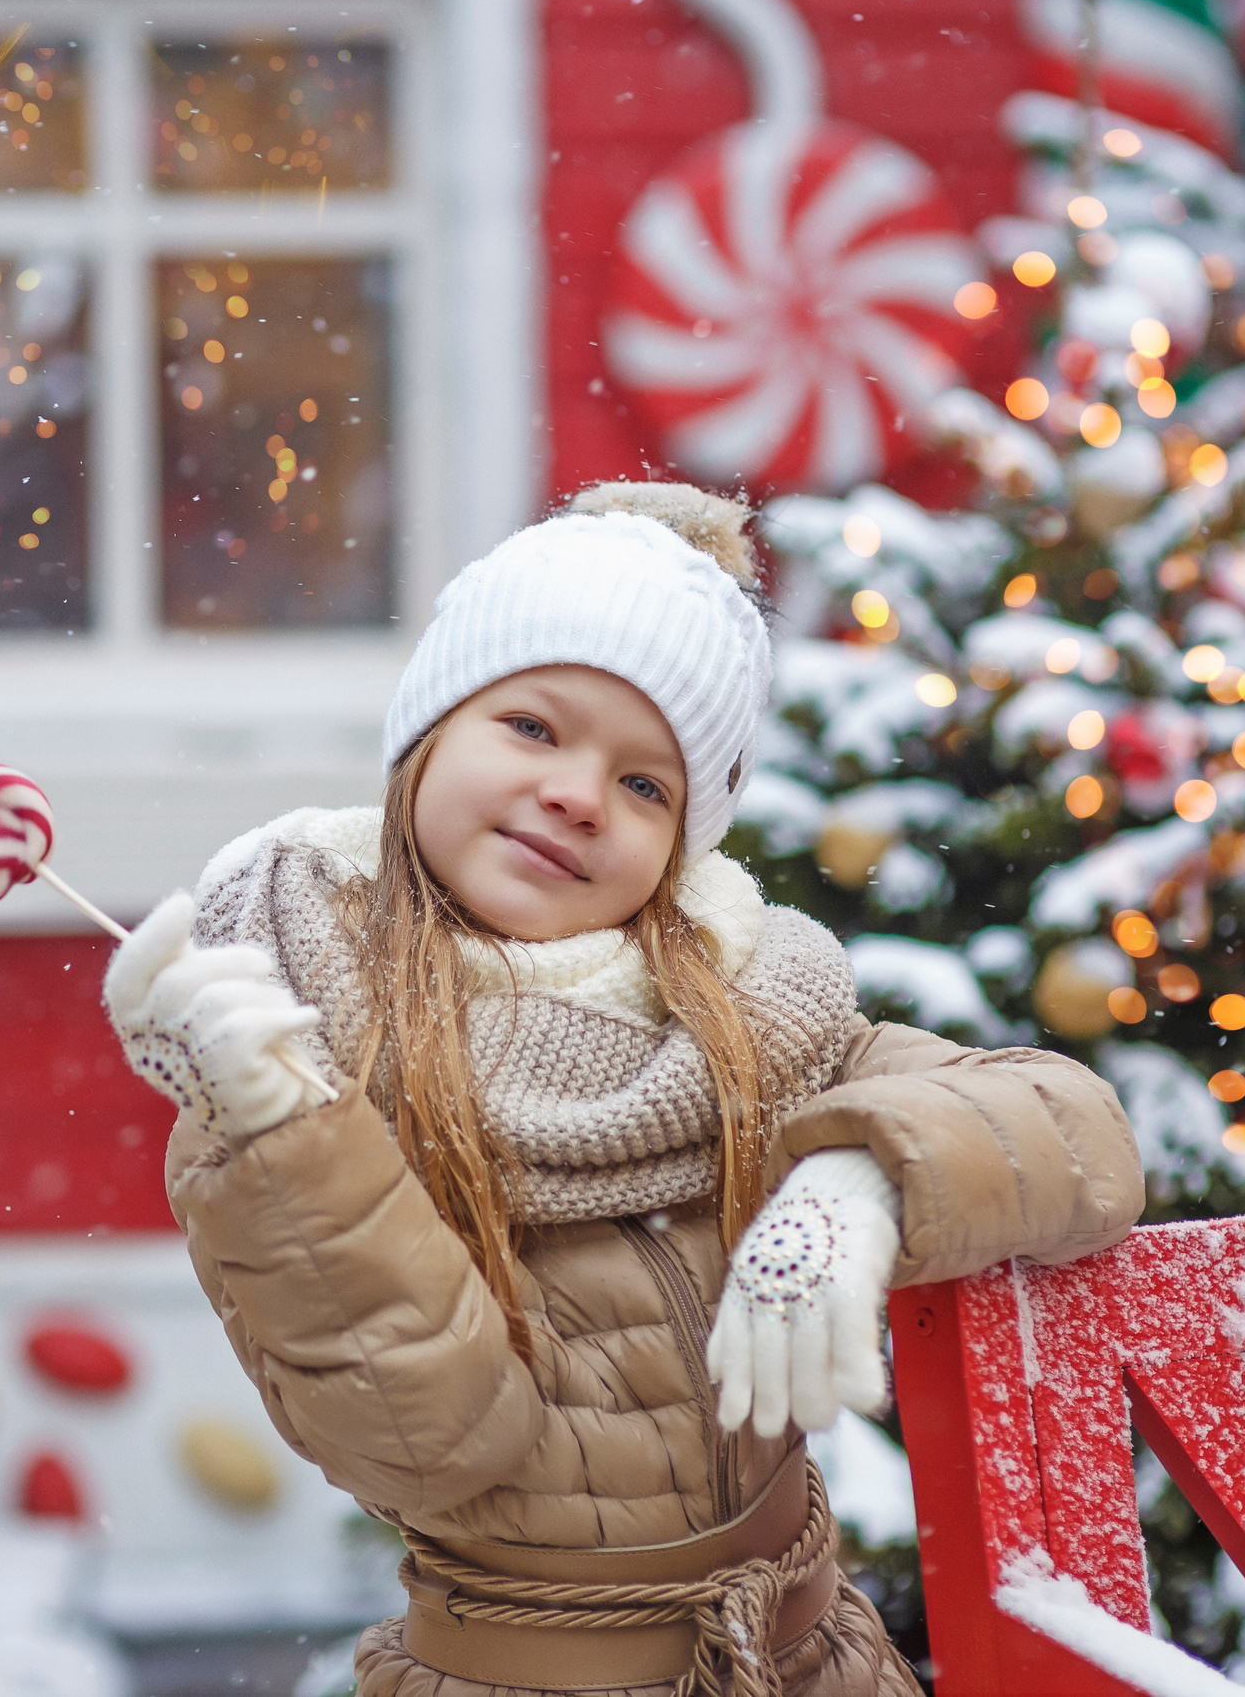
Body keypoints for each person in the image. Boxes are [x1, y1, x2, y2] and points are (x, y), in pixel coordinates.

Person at [103, 482, 1143, 1696]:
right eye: (531, 726)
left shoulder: (748, 1018)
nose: (579, 794)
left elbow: (1081, 1137)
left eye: (647, 785)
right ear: (428, 728)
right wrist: (282, 1131)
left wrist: (861, 1181)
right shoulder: (290, 1056)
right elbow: (427, 1446)